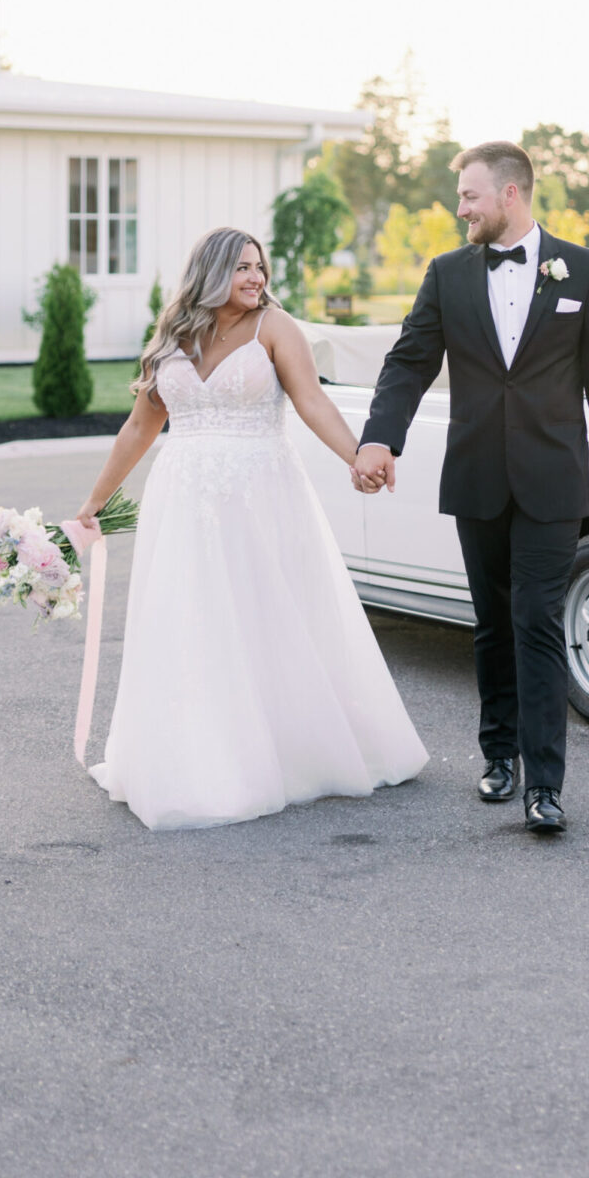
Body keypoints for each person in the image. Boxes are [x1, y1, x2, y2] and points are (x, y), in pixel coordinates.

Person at [72, 227, 426, 831]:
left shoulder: (275, 329)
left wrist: (358, 456)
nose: (256, 278)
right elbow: (139, 428)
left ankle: (287, 751)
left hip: (263, 495)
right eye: (241, 268)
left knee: (267, 615)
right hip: (182, 499)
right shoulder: (174, 337)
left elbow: (312, 401)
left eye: (259, 267)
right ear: (210, 273)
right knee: (192, 622)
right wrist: (93, 504)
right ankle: (199, 758)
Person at [355, 141, 589, 834]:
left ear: (511, 194)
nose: (460, 210)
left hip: (553, 481)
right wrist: (379, 438)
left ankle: (544, 785)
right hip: (477, 476)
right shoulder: (446, 275)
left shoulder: (587, 273)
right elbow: (408, 362)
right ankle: (499, 757)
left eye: (469, 196)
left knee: (536, 623)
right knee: (491, 627)